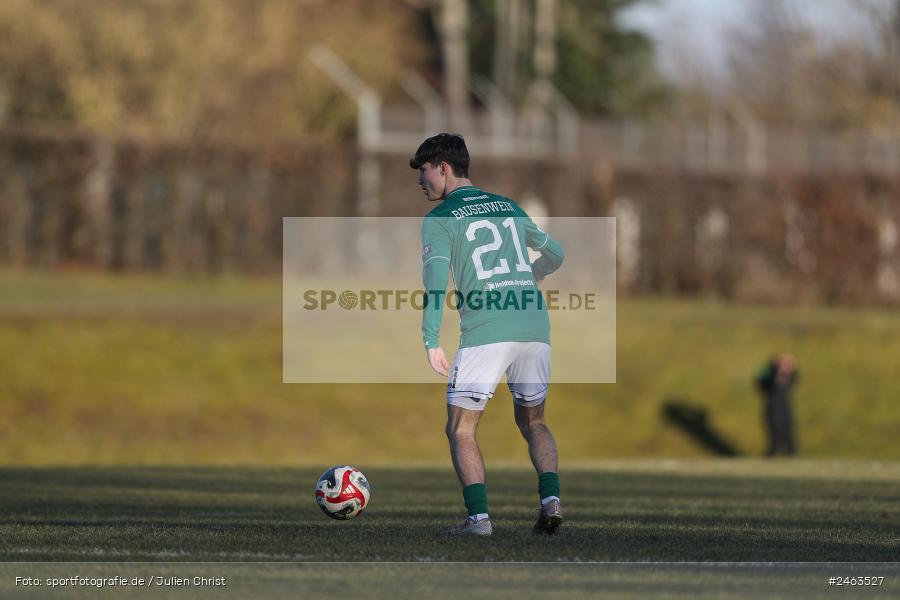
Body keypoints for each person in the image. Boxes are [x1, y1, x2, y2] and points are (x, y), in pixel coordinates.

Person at [411, 133, 565, 536]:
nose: (419, 180)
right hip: (534, 324)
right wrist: (535, 274)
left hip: (486, 329)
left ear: (442, 167)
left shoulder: (440, 219)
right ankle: (552, 500)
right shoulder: (509, 206)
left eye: (423, 171)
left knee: (461, 427)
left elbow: (434, 286)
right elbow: (557, 254)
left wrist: (431, 340)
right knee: (534, 422)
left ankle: (478, 519)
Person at [755, 354, 799, 456]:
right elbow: (759, 377)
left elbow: (795, 377)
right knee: (774, 430)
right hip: (772, 406)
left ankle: (790, 452)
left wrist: (789, 368)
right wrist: (773, 367)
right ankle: (773, 451)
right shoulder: (769, 374)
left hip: (785, 406)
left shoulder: (789, 375)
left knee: (788, 430)